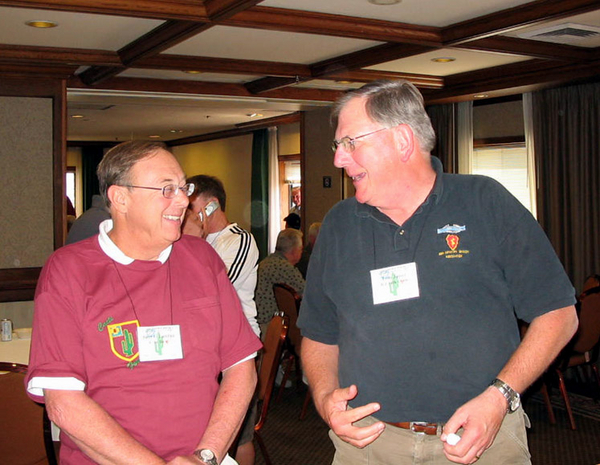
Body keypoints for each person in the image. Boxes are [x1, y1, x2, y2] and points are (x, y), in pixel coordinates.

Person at [297, 80, 578, 465]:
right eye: (337, 146)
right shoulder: (338, 224)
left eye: (351, 143)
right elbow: (319, 334)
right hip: (369, 446)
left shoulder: (485, 201)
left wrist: (501, 396)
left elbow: (559, 315)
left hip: (480, 442)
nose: (338, 160)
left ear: (401, 140)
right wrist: (326, 398)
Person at [26, 141, 262, 465]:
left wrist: (206, 455)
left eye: (183, 187)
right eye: (167, 189)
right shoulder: (69, 271)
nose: (184, 200)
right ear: (120, 197)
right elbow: (63, 402)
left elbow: (241, 369)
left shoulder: (202, 258)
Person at [183, 174, 260, 465]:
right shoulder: (182, 241)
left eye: (191, 207)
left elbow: (208, 299)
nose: (183, 212)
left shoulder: (238, 241)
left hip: (235, 352)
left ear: (211, 207)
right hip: (198, 349)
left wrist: (193, 241)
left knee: (237, 436)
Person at [255, 228, 305, 337]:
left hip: (259, 321)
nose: (302, 252)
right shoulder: (285, 268)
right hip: (271, 326)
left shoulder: (266, 262)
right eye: (300, 249)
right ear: (293, 251)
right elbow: (306, 293)